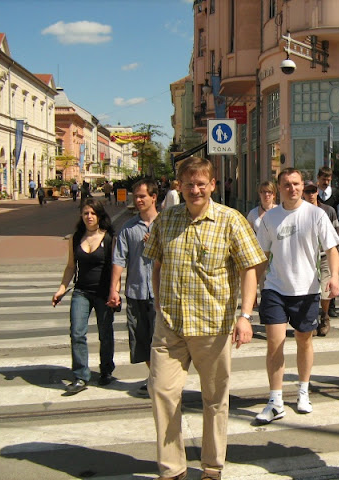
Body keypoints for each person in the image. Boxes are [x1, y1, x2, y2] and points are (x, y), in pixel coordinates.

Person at [143, 156, 265, 480]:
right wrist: (159, 304)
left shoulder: (231, 220)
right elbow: (157, 265)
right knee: (161, 391)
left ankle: (212, 467)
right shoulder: (166, 220)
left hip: (213, 327)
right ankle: (172, 469)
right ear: (179, 186)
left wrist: (245, 316)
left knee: (214, 400)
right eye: (189, 184)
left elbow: (250, 269)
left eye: (201, 184)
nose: (195, 190)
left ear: (212, 185)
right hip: (170, 326)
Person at [255, 168, 339, 424]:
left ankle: (303, 391)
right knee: (274, 343)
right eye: (286, 184)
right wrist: (254, 289)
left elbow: (332, 249)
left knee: (304, 340)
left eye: (296, 184)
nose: (292, 188)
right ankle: (275, 401)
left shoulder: (316, 214)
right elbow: (261, 257)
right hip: (275, 289)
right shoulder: (270, 218)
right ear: (279, 188)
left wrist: (334, 277)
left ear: (303, 186)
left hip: (307, 290)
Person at [52, 198, 116, 395]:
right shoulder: (76, 238)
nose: (89, 217)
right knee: (77, 332)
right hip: (81, 292)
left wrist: (114, 291)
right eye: (86, 213)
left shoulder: (109, 238)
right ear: (81, 215)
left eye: (93, 213)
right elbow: (71, 266)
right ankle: (81, 376)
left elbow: (115, 268)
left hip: (103, 293)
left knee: (105, 334)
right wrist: (62, 288)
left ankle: (106, 370)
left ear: (99, 216)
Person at [107, 179, 158, 397]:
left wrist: (156, 245)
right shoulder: (128, 228)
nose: (137, 200)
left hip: (160, 294)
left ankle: (160, 379)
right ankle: (155, 377)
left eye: (142, 196)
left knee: (161, 341)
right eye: (135, 196)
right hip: (136, 291)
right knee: (141, 340)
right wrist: (114, 289)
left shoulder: (165, 225)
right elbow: (119, 260)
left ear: (153, 197)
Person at [302, 180, 339, 336]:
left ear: (317, 192)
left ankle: (325, 316)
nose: (311, 194)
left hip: (325, 256)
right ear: (303, 194)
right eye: (307, 191)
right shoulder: (300, 212)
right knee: (309, 291)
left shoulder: (328, 210)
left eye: (313, 191)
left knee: (326, 290)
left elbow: (337, 234)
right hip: (307, 258)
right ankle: (311, 319)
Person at [317, 166, 339, 318]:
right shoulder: (313, 195)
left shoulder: (336, 195)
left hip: (331, 233)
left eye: (328, 179)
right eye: (323, 179)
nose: (326, 182)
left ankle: (330, 307)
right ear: (318, 179)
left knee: (331, 276)